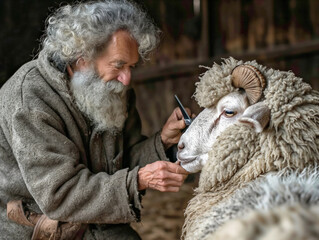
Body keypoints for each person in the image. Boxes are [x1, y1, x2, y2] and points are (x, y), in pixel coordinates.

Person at [0, 0, 191, 239]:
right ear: (82, 58)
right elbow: (60, 195)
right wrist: (140, 180)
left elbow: (121, 164)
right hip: (38, 233)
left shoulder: (114, 90)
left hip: (96, 226)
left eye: (131, 66)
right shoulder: (29, 97)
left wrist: (161, 142)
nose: (126, 79)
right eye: (119, 65)